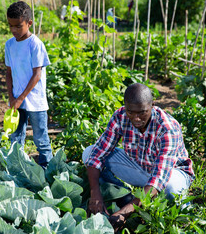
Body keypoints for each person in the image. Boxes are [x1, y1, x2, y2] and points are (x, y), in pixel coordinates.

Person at [82, 83, 195, 230]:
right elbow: (97, 153)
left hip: (172, 174)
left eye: (142, 112)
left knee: (171, 188)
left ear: (152, 106)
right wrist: (95, 193)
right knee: (89, 153)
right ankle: (126, 198)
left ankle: (185, 214)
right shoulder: (121, 116)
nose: (136, 118)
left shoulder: (167, 128)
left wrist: (125, 212)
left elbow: (160, 178)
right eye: (131, 112)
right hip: (139, 167)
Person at [5, 1, 53, 168]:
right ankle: (17, 167)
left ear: (29, 23)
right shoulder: (9, 45)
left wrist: (20, 98)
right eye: (10, 26)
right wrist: (12, 98)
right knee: (16, 137)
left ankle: (47, 170)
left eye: (18, 26)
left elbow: (37, 75)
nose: (13, 30)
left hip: (36, 101)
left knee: (41, 137)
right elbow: (8, 73)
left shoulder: (35, 44)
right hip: (17, 99)